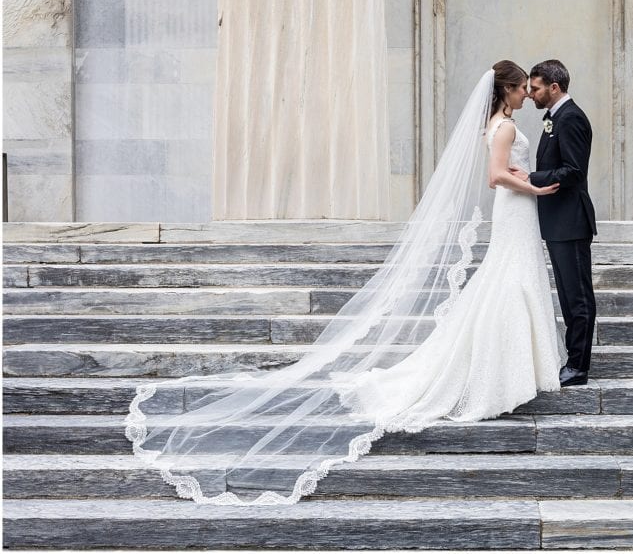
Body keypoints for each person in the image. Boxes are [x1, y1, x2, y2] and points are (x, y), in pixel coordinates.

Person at [125, 61, 565, 506]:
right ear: (506, 90)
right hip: (516, 209)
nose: (527, 94)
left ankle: (510, 366)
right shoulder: (505, 128)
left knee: (508, 280)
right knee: (509, 280)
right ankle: (498, 373)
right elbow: (495, 177)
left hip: (516, 210)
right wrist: (538, 189)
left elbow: (504, 171)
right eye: (521, 89)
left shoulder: (495, 125)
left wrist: (526, 180)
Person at [511, 59, 597, 386]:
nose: (531, 94)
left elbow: (574, 172)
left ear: (554, 87)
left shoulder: (572, 118)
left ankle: (578, 366)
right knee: (567, 294)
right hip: (558, 222)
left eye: (535, 88)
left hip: (571, 221)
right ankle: (573, 360)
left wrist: (531, 177)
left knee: (577, 297)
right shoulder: (555, 118)